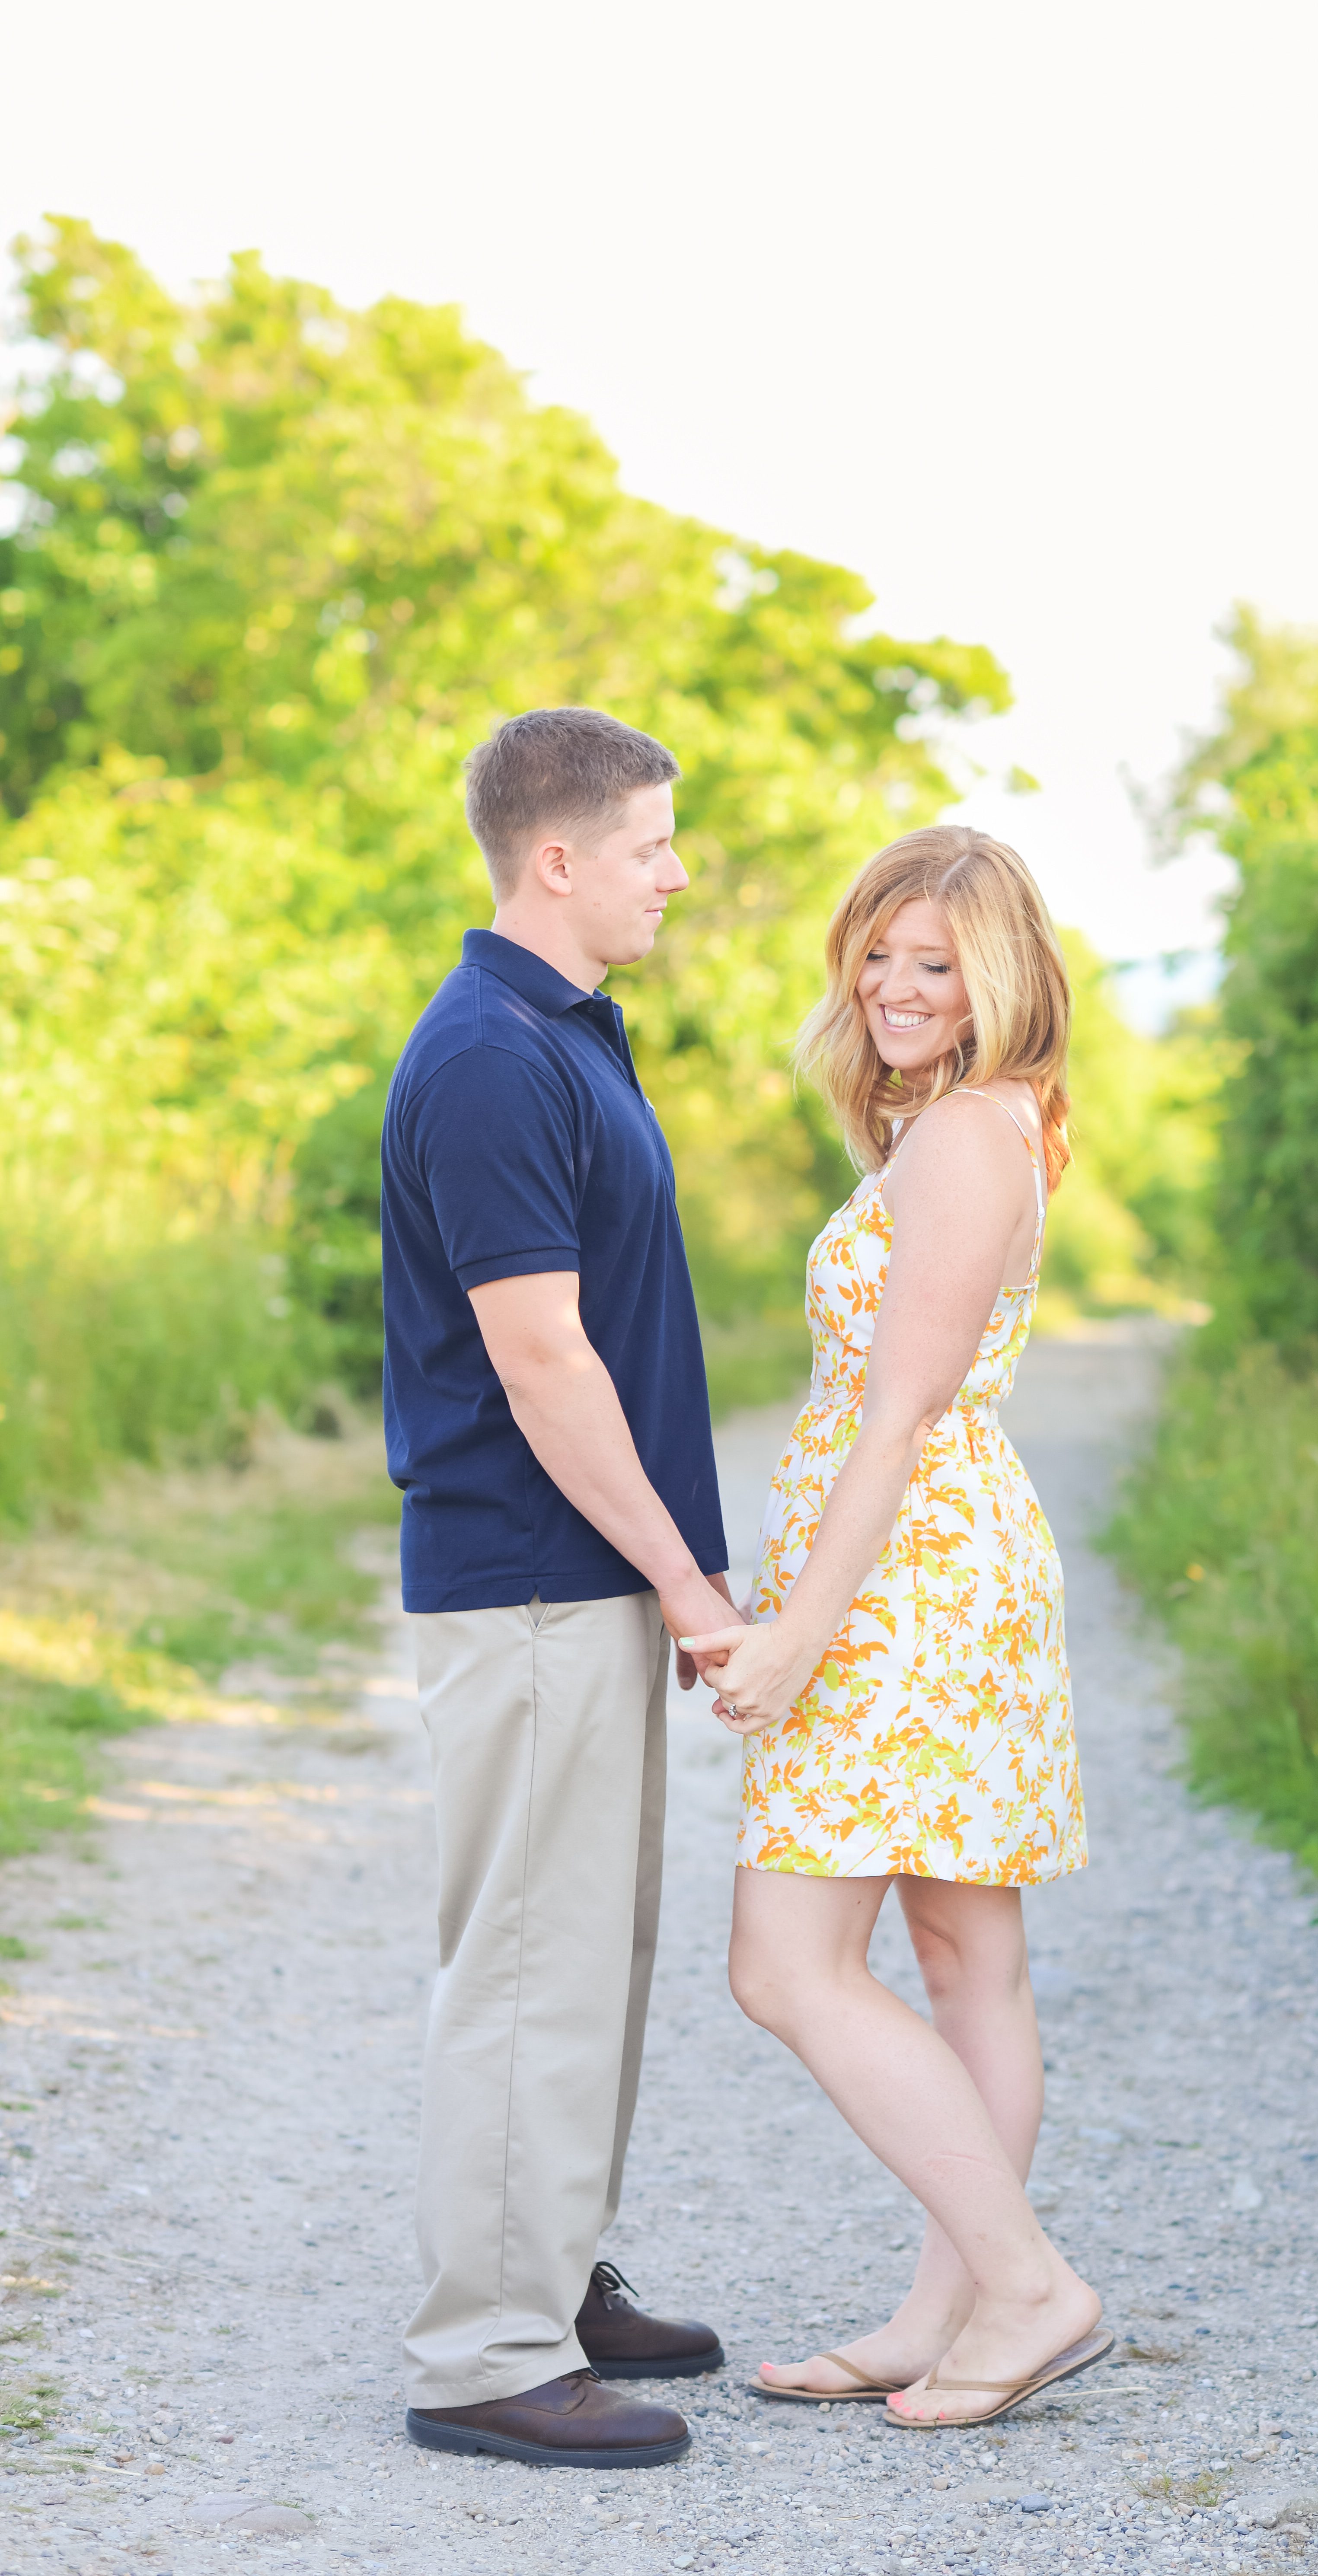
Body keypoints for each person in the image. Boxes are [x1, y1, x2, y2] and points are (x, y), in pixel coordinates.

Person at [683, 826, 1109, 2432]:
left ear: (998, 983)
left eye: (937, 963)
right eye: (880, 952)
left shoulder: (966, 1143)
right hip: (942, 1565)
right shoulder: (966, 1128)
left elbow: (902, 1411)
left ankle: (1024, 2287)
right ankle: (954, 2315)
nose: (895, 986)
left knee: (788, 1961)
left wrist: (797, 1625)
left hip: (912, 1580)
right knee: (963, 1957)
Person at [379, 708, 740, 2469]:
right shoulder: (490, 1061)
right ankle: (483, 2354)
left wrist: (678, 1563)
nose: (679, 871)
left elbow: (619, 1336)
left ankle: (554, 2270)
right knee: (527, 1961)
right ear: (560, 858)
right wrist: (683, 1578)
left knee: (587, 1946)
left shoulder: (565, 1036)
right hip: (528, 1577)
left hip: (580, 1579)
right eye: (658, 842)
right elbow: (541, 1361)